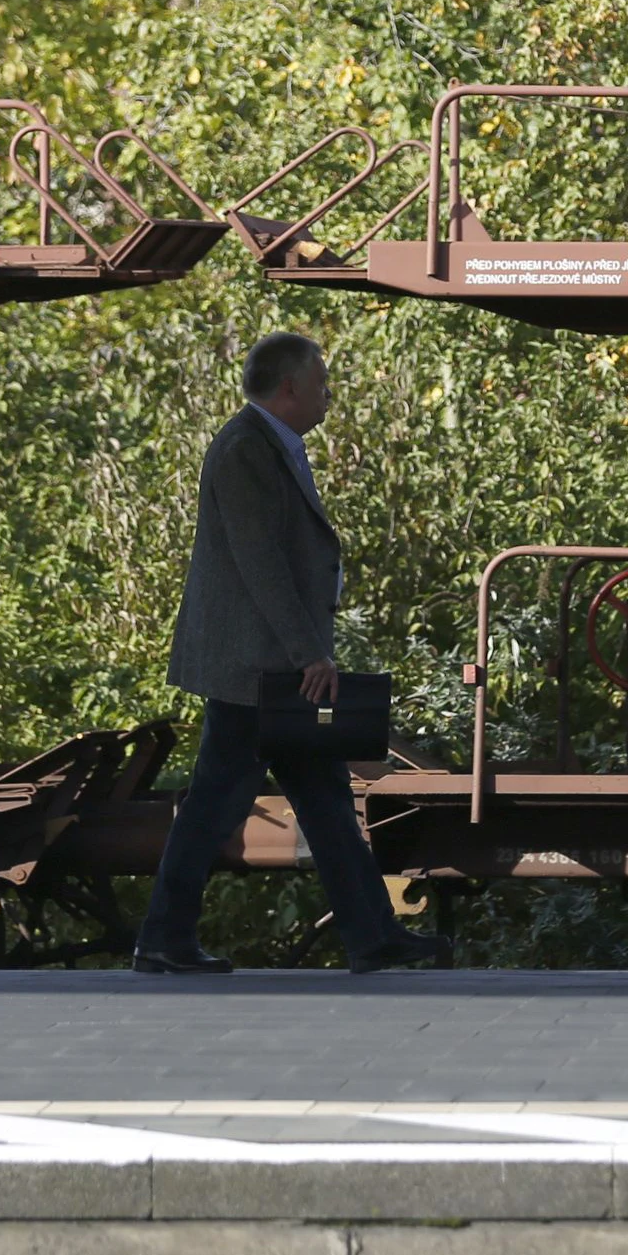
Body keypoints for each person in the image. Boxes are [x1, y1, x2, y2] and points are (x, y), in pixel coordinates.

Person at [132, 331, 448, 974]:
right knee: (219, 802)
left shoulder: (269, 444)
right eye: (321, 381)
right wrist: (310, 654)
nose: (329, 392)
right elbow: (260, 563)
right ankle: (164, 938)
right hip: (258, 668)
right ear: (289, 387)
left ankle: (371, 936)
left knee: (325, 799)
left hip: (274, 666)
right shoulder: (246, 448)